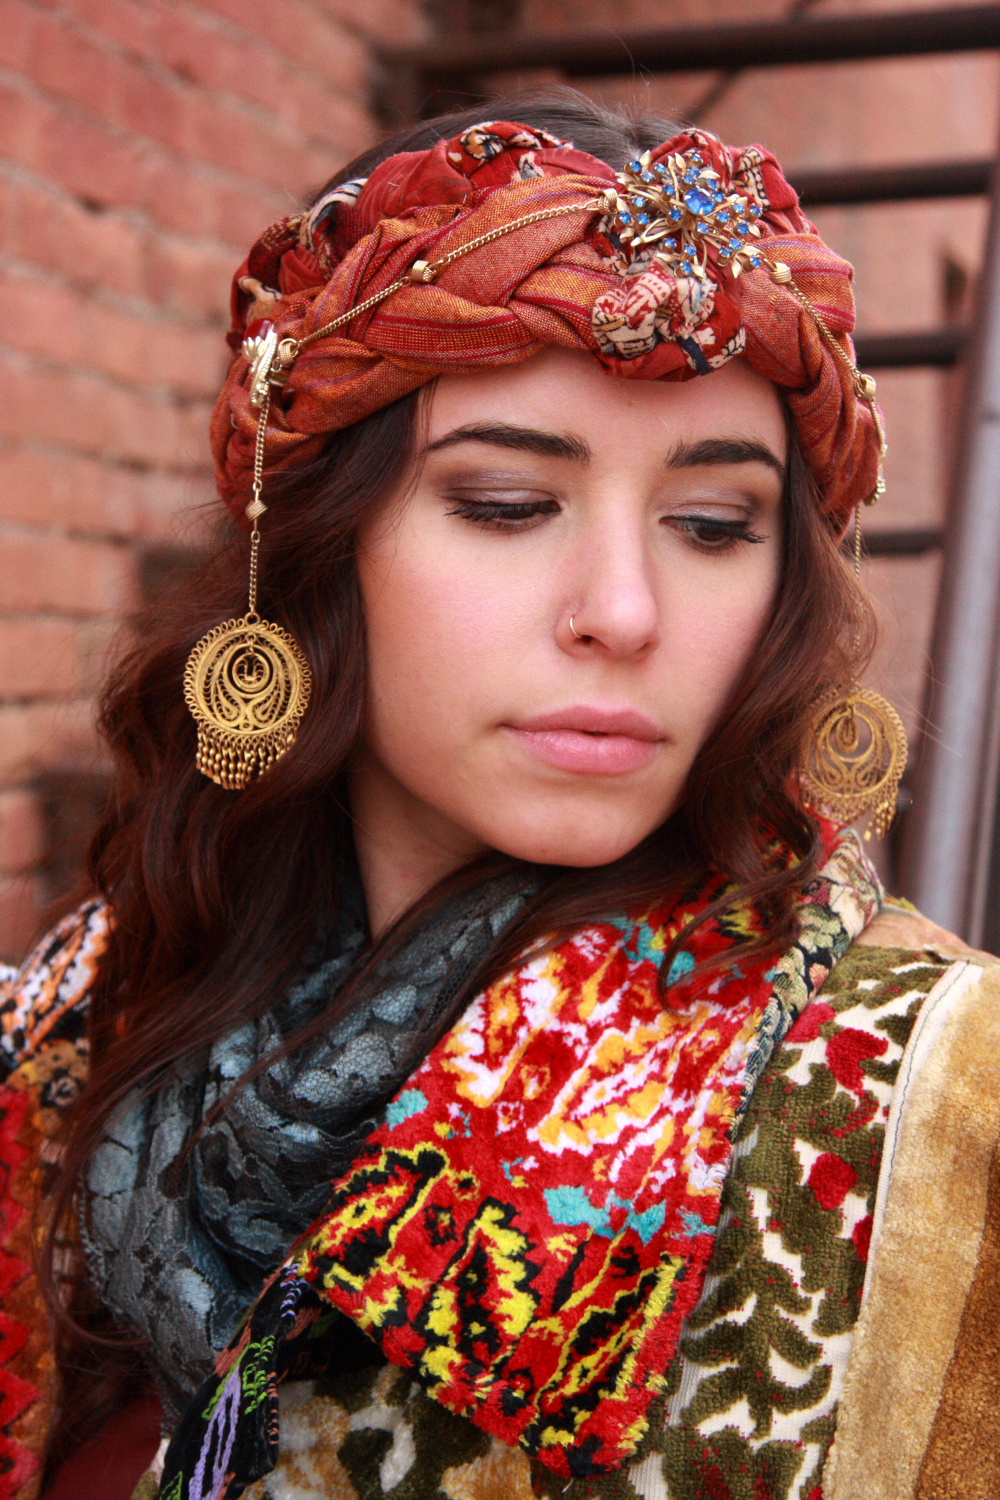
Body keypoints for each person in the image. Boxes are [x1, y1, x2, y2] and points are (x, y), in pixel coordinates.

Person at [1, 89, 998, 1500]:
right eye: (509, 505)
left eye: (714, 526)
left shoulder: (940, 1111)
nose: (624, 610)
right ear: (320, 547)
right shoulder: (75, 1034)